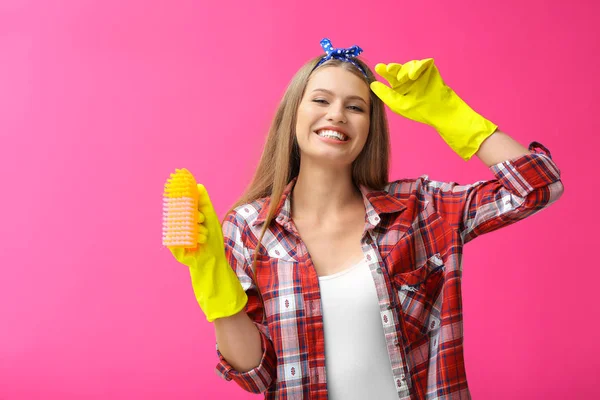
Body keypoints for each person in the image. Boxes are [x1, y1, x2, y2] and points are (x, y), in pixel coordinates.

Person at [167, 38, 564, 399]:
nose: (337, 114)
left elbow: (538, 187)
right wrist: (214, 286)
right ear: (293, 114)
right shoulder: (247, 228)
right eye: (321, 100)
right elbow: (257, 376)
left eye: (355, 107)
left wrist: (451, 113)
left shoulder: (419, 209)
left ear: (371, 127)